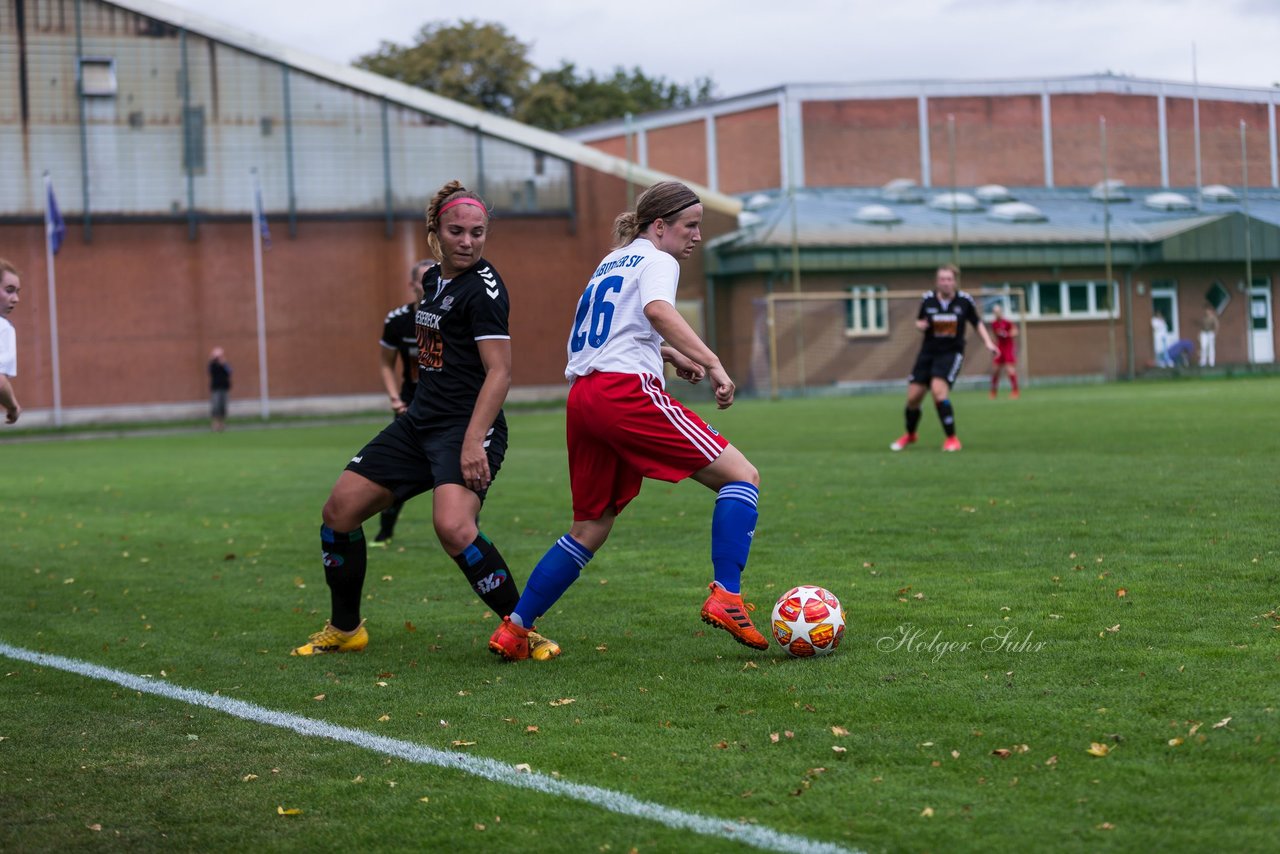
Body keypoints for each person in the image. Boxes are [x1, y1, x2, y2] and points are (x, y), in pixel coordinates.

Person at [488, 180, 767, 661]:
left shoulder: (612, 260)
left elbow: (620, 329)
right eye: (691, 225)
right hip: (624, 393)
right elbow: (657, 310)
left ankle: (514, 629)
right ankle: (727, 596)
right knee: (742, 476)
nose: (697, 236)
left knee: (591, 526)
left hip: (584, 398)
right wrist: (715, 363)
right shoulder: (660, 260)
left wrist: (672, 355)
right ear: (660, 226)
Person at [292, 180, 559, 660]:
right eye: (458, 231)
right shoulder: (434, 279)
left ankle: (523, 631)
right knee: (339, 512)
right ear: (436, 231)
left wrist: (474, 441)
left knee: (454, 528)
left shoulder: (485, 291)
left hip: (467, 427)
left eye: (478, 233)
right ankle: (347, 628)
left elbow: (501, 372)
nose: (468, 241)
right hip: (420, 423)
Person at [889, 264, 999, 452]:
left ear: (954, 281)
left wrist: (988, 342)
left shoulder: (964, 301)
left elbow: (976, 322)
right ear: (937, 281)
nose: (946, 283)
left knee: (938, 391)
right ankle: (911, 434)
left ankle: (952, 439)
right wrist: (920, 325)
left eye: (949, 279)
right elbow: (920, 321)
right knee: (913, 398)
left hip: (951, 353)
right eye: (942, 279)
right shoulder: (928, 299)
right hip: (928, 352)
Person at [370, 259, 432, 548]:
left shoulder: (454, 315)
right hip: (410, 406)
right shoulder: (397, 320)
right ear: (412, 285)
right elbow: (386, 364)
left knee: (458, 476)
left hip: (446, 409)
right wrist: (395, 399)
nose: (429, 285)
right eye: (423, 280)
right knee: (397, 471)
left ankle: (469, 536)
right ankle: (384, 533)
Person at [0, 259, 21, 425]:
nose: (16, 299)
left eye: (17, 292)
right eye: (9, 290)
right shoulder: (3, 328)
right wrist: (12, 405)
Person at [988, 302, 1019, 399]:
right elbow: (995, 335)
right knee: (995, 370)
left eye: (998, 311)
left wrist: (1008, 334)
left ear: (1001, 312)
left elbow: (1015, 331)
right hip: (1000, 348)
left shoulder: (1007, 322)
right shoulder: (994, 324)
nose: (997, 313)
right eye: (995, 312)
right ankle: (993, 392)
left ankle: (1015, 391)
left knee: (1009, 369)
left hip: (1008, 347)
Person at [208, 347, 231, 431]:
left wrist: (223, 364)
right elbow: (210, 371)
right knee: (216, 407)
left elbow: (230, 371)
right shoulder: (212, 365)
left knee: (223, 407)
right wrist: (214, 362)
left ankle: (221, 424)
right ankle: (215, 424)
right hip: (216, 388)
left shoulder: (225, 364)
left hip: (224, 388)